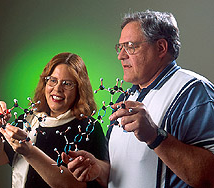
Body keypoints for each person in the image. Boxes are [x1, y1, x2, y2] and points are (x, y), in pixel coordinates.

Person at [62, 10, 214, 188]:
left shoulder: (193, 92)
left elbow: (210, 178)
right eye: (120, 47)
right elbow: (122, 171)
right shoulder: (125, 98)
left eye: (131, 46)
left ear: (161, 48)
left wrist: (155, 136)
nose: (121, 56)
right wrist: (98, 169)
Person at [0, 52, 108, 188]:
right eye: (53, 80)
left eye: (67, 84)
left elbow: (81, 186)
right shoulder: (28, 120)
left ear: (79, 89)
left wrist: (29, 152)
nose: (57, 89)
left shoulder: (89, 128)